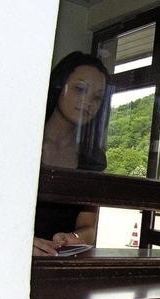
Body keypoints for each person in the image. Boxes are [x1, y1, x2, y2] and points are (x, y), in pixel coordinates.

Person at [33, 51, 111, 256]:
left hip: (56, 262)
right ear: (59, 86)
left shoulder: (92, 158)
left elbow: (88, 227)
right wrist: (20, 239)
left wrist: (72, 238)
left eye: (97, 97)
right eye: (80, 89)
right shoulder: (23, 144)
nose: (88, 102)